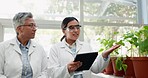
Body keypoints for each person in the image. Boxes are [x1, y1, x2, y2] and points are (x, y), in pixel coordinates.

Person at [48, 17, 120, 78]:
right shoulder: (55, 49)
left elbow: (95, 69)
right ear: (64, 31)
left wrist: (104, 55)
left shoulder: (86, 46)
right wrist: (67, 68)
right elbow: (52, 73)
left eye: (77, 27)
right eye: (71, 28)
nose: (76, 30)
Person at [0, 12, 48, 78]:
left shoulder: (39, 49)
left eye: (35, 26)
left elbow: (45, 72)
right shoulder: (3, 47)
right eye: (31, 25)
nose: (35, 29)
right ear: (19, 29)